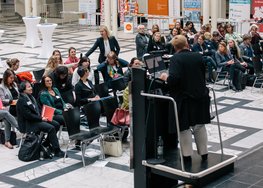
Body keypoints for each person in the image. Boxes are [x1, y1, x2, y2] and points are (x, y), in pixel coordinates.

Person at [159, 35, 210, 162]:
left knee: (184, 128)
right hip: (200, 96)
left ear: (175, 47)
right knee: (199, 125)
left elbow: (174, 79)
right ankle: (204, 153)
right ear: (187, 44)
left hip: (184, 99)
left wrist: (166, 77)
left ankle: (187, 156)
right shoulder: (198, 56)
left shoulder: (176, 58)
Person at [16, 81, 65, 157]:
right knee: (51, 128)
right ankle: (57, 150)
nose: (31, 88)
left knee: (56, 124)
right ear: (23, 90)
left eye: (30, 86)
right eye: (29, 87)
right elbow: (28, 116)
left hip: (36, 119)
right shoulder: (21, 100)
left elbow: (38, 109)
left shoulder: (31, 97)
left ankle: (46, 143)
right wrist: (41, 118)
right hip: (28, 123)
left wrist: (45, 116)